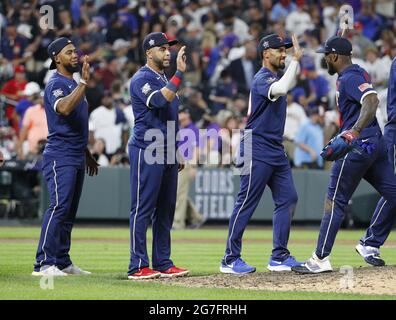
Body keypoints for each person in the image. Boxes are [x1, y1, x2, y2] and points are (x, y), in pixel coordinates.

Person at [292, 36, 396, 274]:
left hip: (357, 147)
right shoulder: (355, 71)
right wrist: (341, 35)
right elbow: (361, 81)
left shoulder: (350, 78)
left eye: (326, 55)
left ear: (335, 57)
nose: (324, 59)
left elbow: (371, 99)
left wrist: (354, 132)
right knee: (393, 193)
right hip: (375, 144)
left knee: (335, 201)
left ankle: (319, 259)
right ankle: (369, 244)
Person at [220, 34, 305, 274]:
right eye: (279, 50)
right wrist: (296, 61)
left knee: (288, 198)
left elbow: (284, 83)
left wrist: (293, 63)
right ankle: (229, 258)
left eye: (285, 50)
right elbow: (282, 87)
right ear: (266, 53)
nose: (284, 54)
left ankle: (279, 256)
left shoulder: (274, 76)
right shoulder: (262, 78)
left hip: (275, 148)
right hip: (255, 147)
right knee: (246, 202)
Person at [32, 37, 99, 277]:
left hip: (75, 154)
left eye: (75, 51)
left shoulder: (72, 84)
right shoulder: (56, 84)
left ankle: (61, 261)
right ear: (56, 58)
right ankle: (43, 263)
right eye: (69, 52)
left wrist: (87, 153)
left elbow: (74, 124)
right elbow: (64, 109)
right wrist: (83, 83)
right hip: (60, 155)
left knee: (68, 211)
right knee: (59, 207)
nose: (75, 55)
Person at [127, 32, 189, 280]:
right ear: (148, 52)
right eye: (162, 49)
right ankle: (138, 265)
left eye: (169, 48)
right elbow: (159, 102)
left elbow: (171, 117)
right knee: (142, 208)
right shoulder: (142, 78)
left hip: (166, 151)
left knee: (166, 210)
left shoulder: (163, 78)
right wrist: (180, 73)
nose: (167, 53)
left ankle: (163, 262)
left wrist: (176, 149)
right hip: (146, 149)